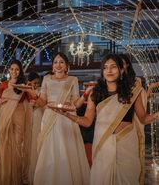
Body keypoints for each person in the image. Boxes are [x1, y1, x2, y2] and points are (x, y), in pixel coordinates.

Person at [54, 53, 159, 185]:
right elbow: (87, 121)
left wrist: (156, 115)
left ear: (121, 70)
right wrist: (68, 115)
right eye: (105, 67)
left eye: (113, 67)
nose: (109, 70)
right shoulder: (96, 93)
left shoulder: (133, 93)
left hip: (127, 143)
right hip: (103, 143)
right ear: (102, 71)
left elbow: (143, 119)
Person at [25, 52, 90, 185]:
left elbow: (76, 104)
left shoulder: (73, 80)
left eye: (61, 62)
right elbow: (43, 102)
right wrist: (34, 96)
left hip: (67, 118)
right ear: (53, 66)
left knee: (67, 151)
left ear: (66, 66)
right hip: (49, 118)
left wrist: (85, 96)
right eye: (55, 62)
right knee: (49, 152)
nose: (58, 65)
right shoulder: (47, 79)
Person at [0, 59, 33, 185]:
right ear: (8, 70)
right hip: (5, 114)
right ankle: (5, 176)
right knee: (5, 143)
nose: (14, 71)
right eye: (12, 69)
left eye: (17, 69)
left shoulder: (24, 85)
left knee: (18, 144)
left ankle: (17, 177)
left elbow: (30, 100)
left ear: (20, 71)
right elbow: (0, 99)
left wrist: (30, 91)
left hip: (19, 114)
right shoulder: (3, 84)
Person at [26, 71, 43, 183]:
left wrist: (35, 104)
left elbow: (42, 103)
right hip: (28, 117)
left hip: (38, 116)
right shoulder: (25, 91)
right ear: (29, 82)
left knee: (37, 142)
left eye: (37, 83)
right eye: (34, 83)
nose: (36, 85)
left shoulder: (41, 91)